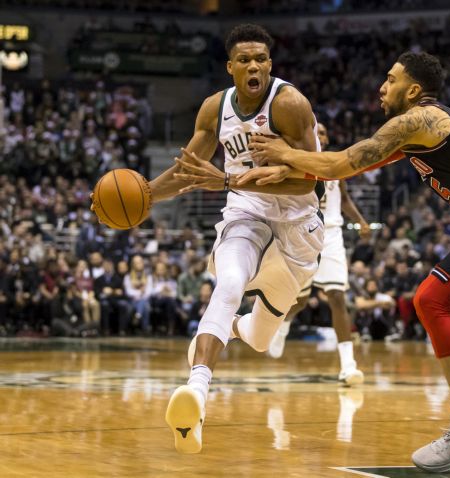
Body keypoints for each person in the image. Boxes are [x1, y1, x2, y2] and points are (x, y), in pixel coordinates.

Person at [242, 51, 450, 472]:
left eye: (391, 79)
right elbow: (342, 168)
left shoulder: (418, 119)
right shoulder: (417, 130)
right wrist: (288, 170)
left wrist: (284, 153)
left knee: (429, 301)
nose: (381, 87)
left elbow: (342, 161)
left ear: (413, 90)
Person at [148, 24, 324, 454]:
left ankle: (227, 326)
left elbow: (310, 181)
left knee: (260, 340)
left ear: (270, 64)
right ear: (231, 67)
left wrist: (229, 180)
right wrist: (146, 196)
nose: (254, 66)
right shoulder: (215, 108)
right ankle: (196, 392)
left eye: (261, 59)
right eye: (244, 59)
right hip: (246, 214)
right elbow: (189, 170)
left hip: (298, 226)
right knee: (228, 283)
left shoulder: (290, 104)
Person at [267, 122, 368, 385]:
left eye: (323, 132)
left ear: (327, 138)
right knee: (299, 300)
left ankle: (348, 365)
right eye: (316, 132)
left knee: (337, 296)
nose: (320, 135)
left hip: (331, 234)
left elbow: (344, 199)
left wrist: (360, 221)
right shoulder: (295, 160)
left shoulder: (336, 163)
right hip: (302, 232)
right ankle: (284, 324)